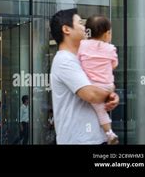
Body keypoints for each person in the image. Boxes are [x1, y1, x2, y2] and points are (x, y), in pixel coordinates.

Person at [49, 9, 119, 144]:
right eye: (80, 23)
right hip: (79, 140)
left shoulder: (80, 59)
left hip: (93, 139)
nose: (85, 27)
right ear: (66, 29)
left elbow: (98, 88)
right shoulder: (64, 61)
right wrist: (109, 93)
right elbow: (91, 94)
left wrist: (110, 96)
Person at [78, 15, 119, 144]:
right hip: (108, 86)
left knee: (101, 111)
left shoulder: (82, 45)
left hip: (92, 86)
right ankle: (108, 133)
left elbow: (79, 61)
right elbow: (114, 65)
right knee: (103, 109)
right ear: (107, 34)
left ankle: (109, 133)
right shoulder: (110, 49)